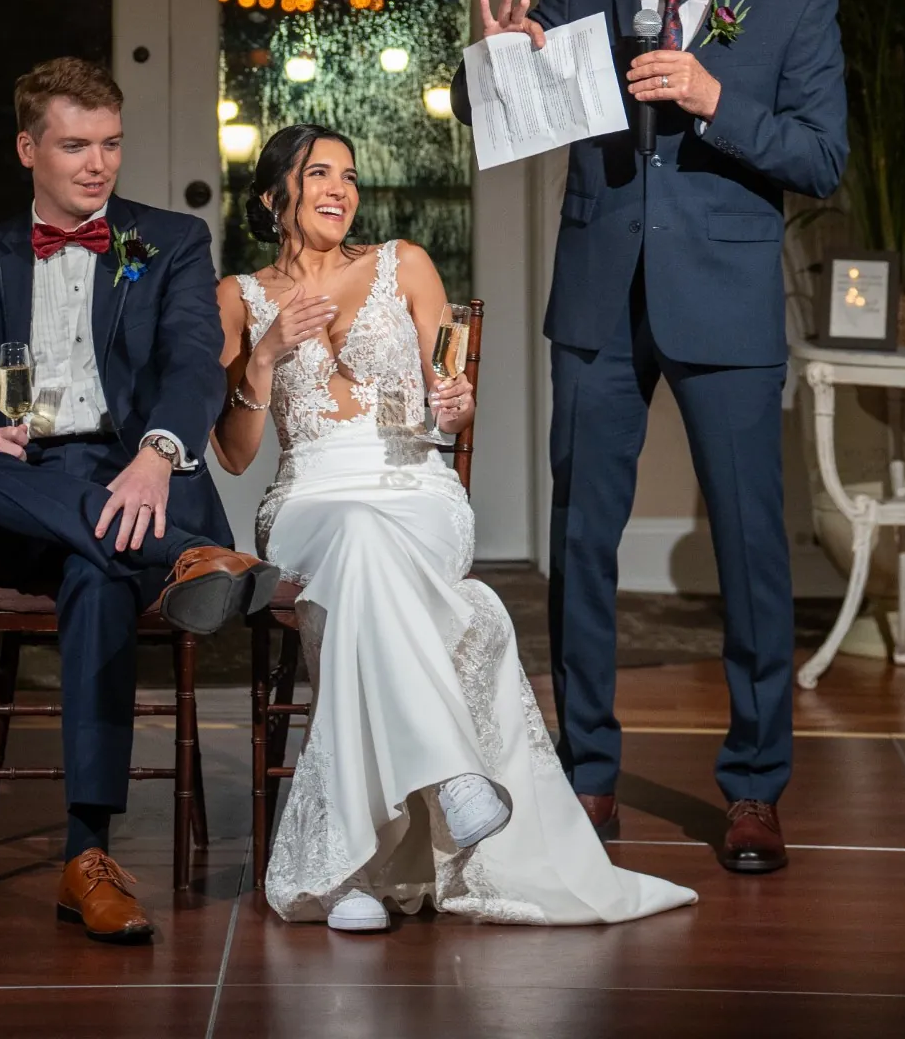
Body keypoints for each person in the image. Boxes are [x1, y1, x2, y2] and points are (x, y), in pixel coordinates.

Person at [463, 0, 847, 875]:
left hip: (723, 304)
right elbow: (492, 116)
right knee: (580, 541)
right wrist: (497, 69)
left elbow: (821, 158)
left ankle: (755, 787)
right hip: (597, 300)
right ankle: (586, 774)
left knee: (750, 551)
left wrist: (714, 99)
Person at [214, 123, 697, 932]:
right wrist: (262, 355)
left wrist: (457, 403)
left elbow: (452, 388)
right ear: (272, 198)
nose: (340, 189)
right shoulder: (238, 296)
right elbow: (234, 456)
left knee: (370, 548)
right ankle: (450, 776)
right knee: (357, 542)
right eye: (318, 174)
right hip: (310, 497)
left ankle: (352, 874)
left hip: (417, 488)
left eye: (350, 174)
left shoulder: (404, 263)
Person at [0, 55, 278, 944]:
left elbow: (194, 364)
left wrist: (158, 454)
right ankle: (187, 559)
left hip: (130, 489)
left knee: (96, 566)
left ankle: (88, 858)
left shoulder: (169, 241)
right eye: (76, 145)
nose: (98, 165)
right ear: (27, 148)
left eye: (111, 144)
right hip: (19, 499)